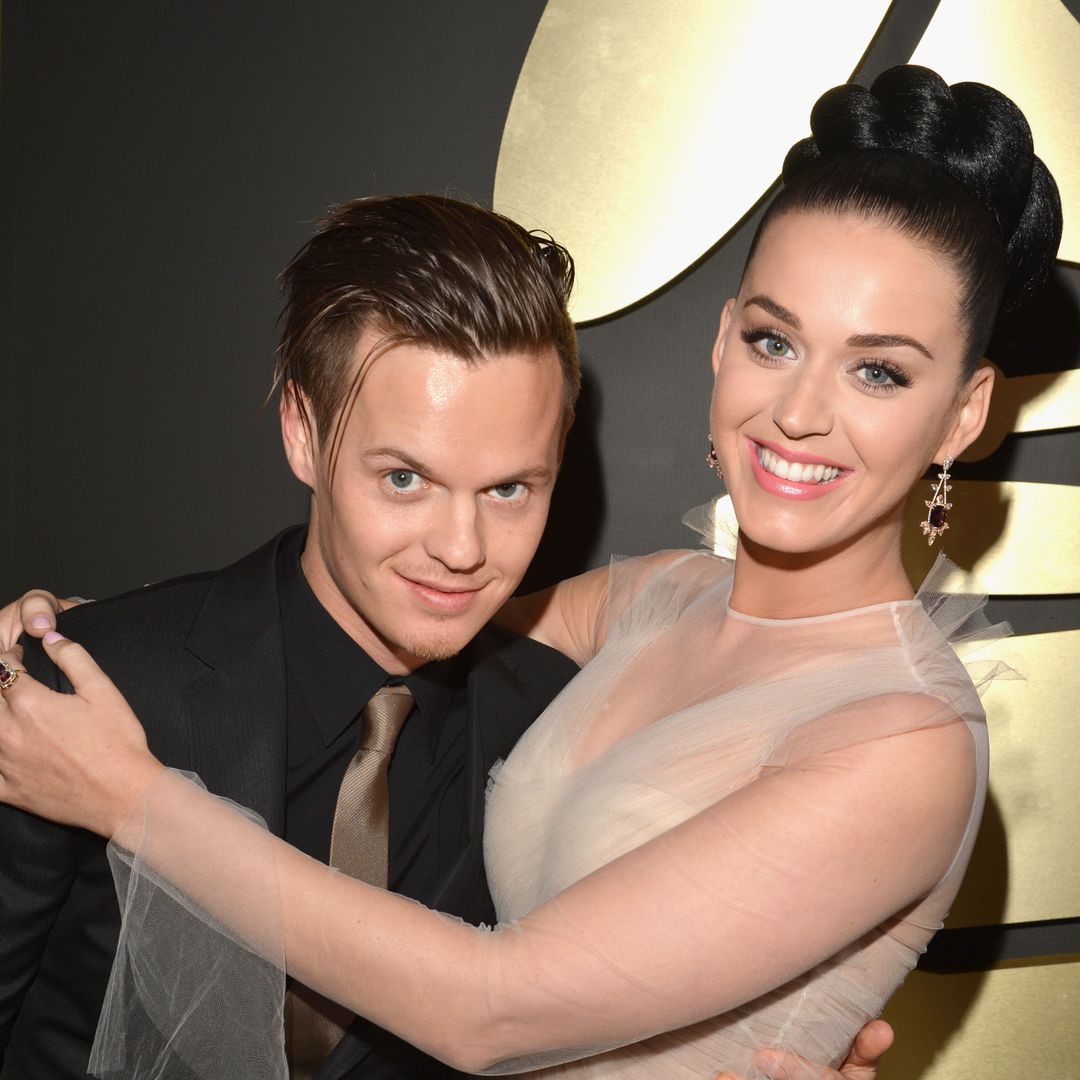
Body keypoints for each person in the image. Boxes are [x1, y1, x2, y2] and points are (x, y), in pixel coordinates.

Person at [0, 193, 885, 1080]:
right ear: (302, 433)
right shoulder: (89, 687)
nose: (461, 552)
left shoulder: (557, 724)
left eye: (509, 490)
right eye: (405, 479)